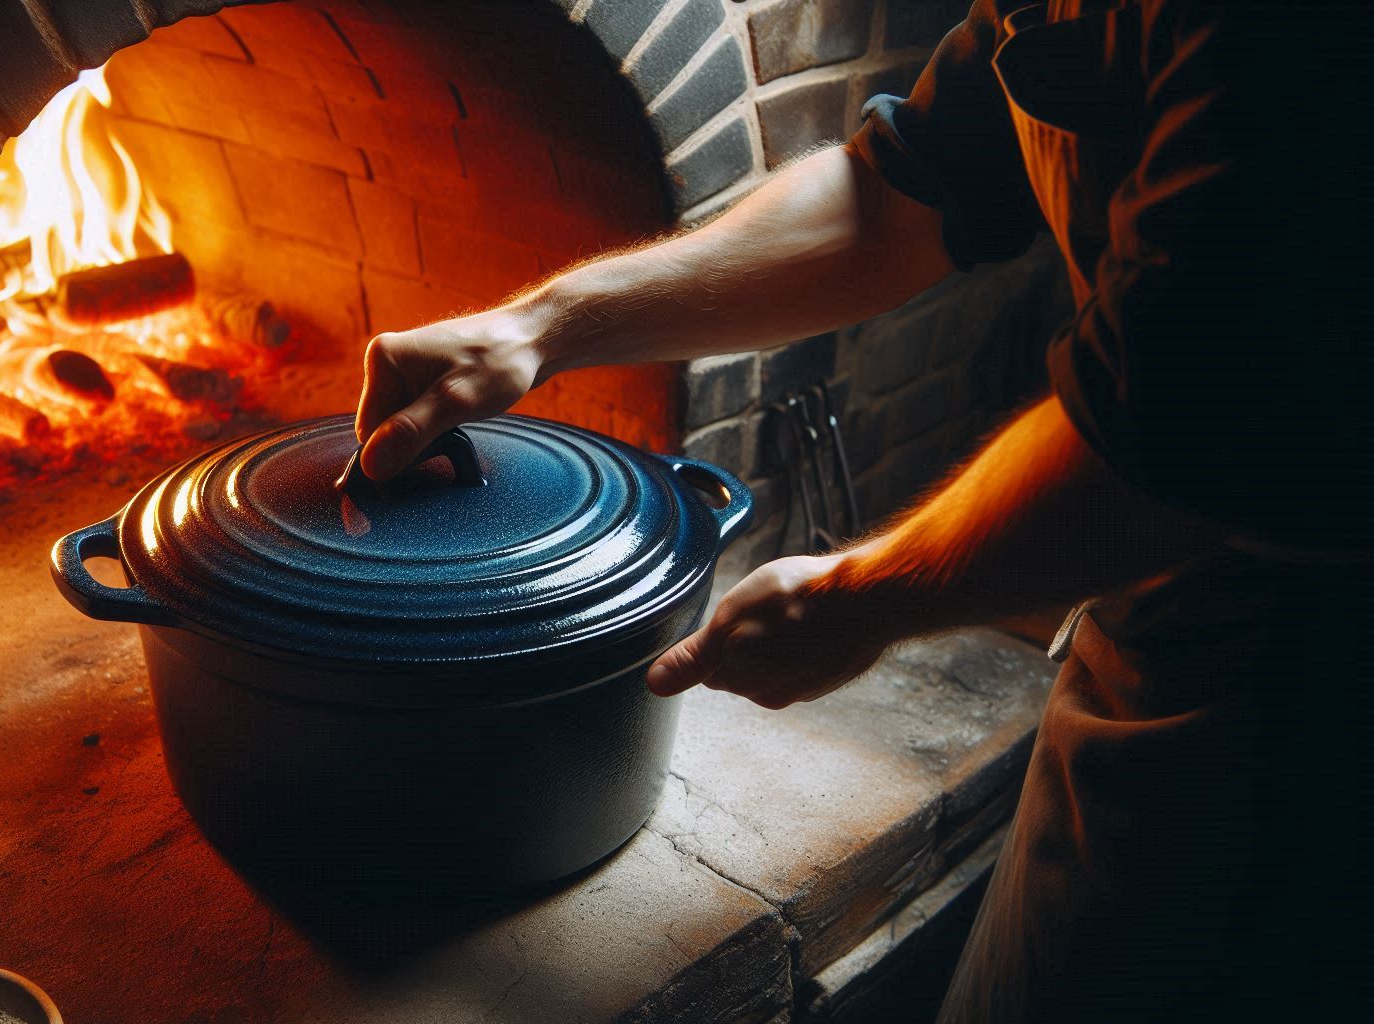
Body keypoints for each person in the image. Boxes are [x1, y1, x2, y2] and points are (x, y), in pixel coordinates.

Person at [352, 1, 1363, 1020]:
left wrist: (864, 596)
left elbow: (1178, 440)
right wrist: (539, 325)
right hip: (1148, 614)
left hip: (1288, 699)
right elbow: (890, 202)